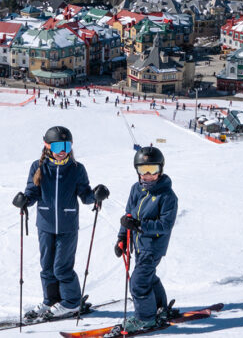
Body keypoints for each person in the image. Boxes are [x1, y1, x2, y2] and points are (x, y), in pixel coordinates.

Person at [13, 126, 110, 321]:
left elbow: (85, 195)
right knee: (47, 266)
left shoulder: (76, 168)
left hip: (67, 226)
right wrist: (25, 200)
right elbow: (33, 192)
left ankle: (72, 302)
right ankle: (51, 300)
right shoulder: (38, 167)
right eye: (57, 146)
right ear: (47, 146)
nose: (62, 151)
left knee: (62, 267)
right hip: (45, 224)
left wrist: (96, 195)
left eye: (66, 146)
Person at [114, 146, 178, 333]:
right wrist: (122, 238)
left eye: (153, 169)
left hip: (154, 247)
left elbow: (165, 225)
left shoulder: (167, 196)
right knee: (147, 277)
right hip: (139, 245)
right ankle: (159, 308)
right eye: (143, 170)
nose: (148, 175)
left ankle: (145, 318)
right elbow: (128, 216)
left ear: (161, 170)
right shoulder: (136, 189)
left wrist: (140, 225)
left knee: (138, 282)